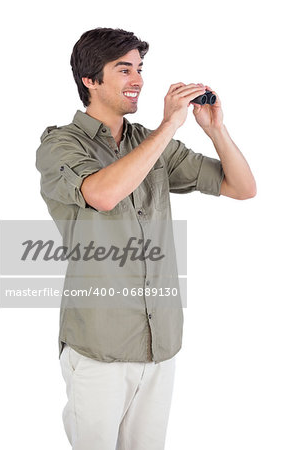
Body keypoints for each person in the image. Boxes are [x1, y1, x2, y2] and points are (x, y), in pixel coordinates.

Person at [36, 27, 256, 450]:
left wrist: (215, 130)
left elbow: (242, 187)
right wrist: (168, 126)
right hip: (98, 344)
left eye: (139, 68)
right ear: (90, 80)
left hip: (160, 342)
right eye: (123, 69)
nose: (137, 79)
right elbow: (101, 194)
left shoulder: (149, 144)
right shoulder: (60, 144)